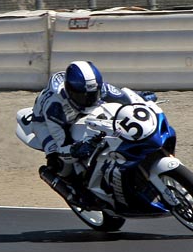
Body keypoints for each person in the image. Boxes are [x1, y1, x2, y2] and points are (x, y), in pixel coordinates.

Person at [31, 61, 154, 202]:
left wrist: (141, 98)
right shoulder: (55, 108)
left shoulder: (99, 89)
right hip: (44, 122)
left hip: (81, 113)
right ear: (70, 91)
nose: (89, 100)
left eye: (93, 95)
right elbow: (63, 146)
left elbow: (125, 98)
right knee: (58, 161)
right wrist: (75, 150)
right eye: (83, 96)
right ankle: (76, 192)